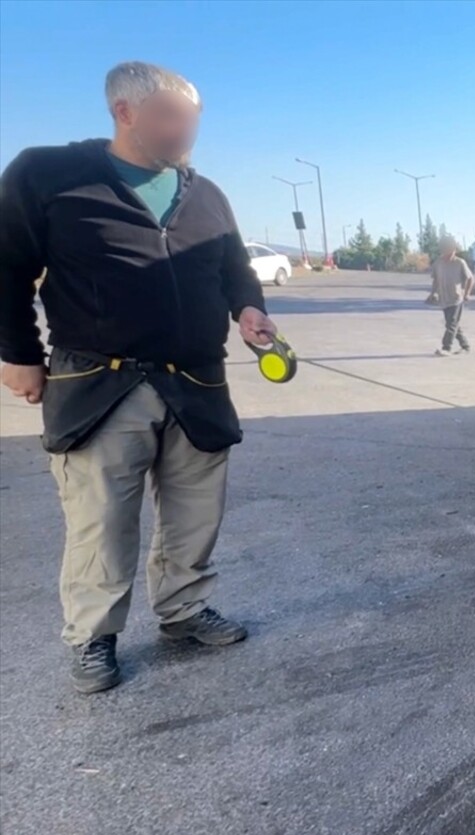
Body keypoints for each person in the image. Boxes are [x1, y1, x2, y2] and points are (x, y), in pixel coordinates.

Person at [0, 61, 278, 694]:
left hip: (196, 380)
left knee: (195, 510)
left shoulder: (205, 193)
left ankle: (182, 610)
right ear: (124, 113)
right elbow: (7, 267)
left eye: (193, 121)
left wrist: (249, 307)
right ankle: (94, 636)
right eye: (172, 118)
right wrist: (18, 351)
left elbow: (234, 267)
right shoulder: (47, 173)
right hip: (101, 381)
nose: (187, 133)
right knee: (101, 516)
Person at [430, 237, 474, 356]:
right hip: (444, 299)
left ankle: (446, 347)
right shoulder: (438, 263)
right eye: (446, 249)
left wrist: (467, 293)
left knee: (452, 324)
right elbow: (436, 280)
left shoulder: (459, 262)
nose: (449, 252)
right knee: (452, 324)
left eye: (452, 250)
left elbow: (470, 278)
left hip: (456, 299)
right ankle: (465, 346)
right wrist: (433, 293)